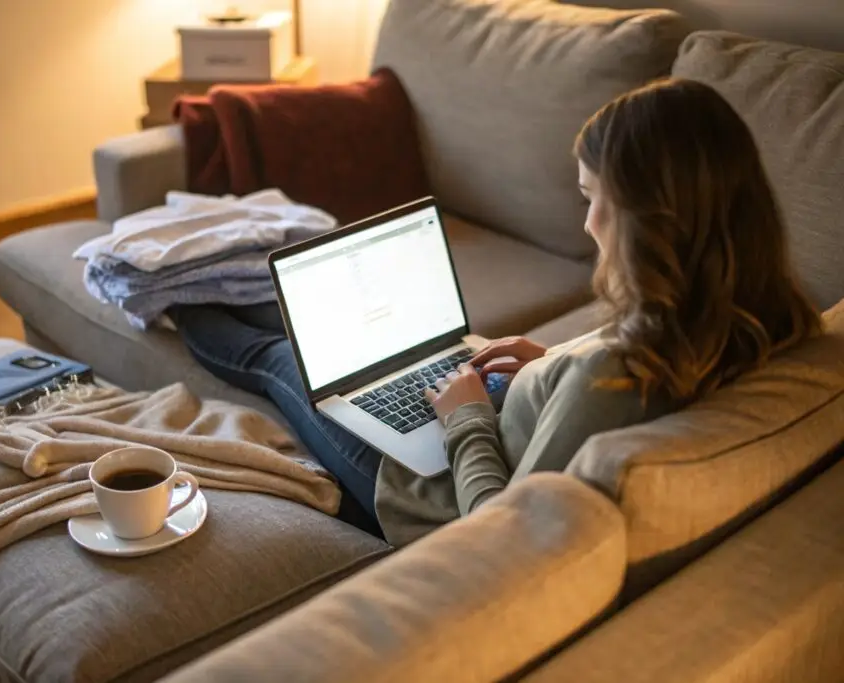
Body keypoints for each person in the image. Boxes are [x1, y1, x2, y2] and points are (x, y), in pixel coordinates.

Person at [171, 78, 822, 545]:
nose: (589, 223)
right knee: (294, 316)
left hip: (426, 486)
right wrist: (551, 369)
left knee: (280, 357)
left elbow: (498, 538)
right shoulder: (763, 318)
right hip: (489, 419)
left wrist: (466, 418)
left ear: (651, 222)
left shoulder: (613, 378)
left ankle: (175, 291)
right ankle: (211, 284)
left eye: (595, 200)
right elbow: (592, 395)